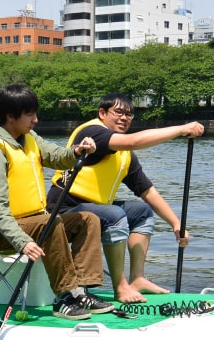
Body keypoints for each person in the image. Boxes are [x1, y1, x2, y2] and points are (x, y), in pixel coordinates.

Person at [0, 84, 114, 321]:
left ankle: (81, 292)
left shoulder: (30, 137)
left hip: (36, 223)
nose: (36, 120)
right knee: (50, 223)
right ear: (10, 117)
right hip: (1, 232)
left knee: (88, 219)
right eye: (30, 114)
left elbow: (55, 155)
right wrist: (22, 241)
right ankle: (64, 297)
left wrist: (77, 151)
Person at [47, 92, 205, 303]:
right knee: (115, 214)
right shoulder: (92, 132)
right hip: (63, 211)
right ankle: (120, 287)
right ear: (102, 113)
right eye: (118, 112)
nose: (124, 118)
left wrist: (176, 223)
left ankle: (137, 278)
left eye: (129, 114)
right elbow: (132, 141)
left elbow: (148, 191)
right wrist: (181, 129)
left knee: (142, 212)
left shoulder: (125, 156)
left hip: (95, 211)